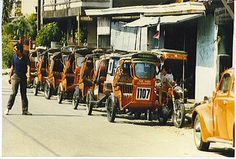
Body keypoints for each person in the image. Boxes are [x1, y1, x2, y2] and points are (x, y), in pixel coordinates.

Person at [4, 43, 32, 115]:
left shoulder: (25, 57)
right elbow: (12, 67)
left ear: (19, 50)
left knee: (23, 94)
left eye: (15, 49)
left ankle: (25, 110)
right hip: (15, 76)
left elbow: (28, 67)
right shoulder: (14, 57)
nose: (14, 51)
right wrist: (9, 77)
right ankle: (8, 108)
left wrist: (28, 76)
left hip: (23, 77)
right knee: (13, 93)